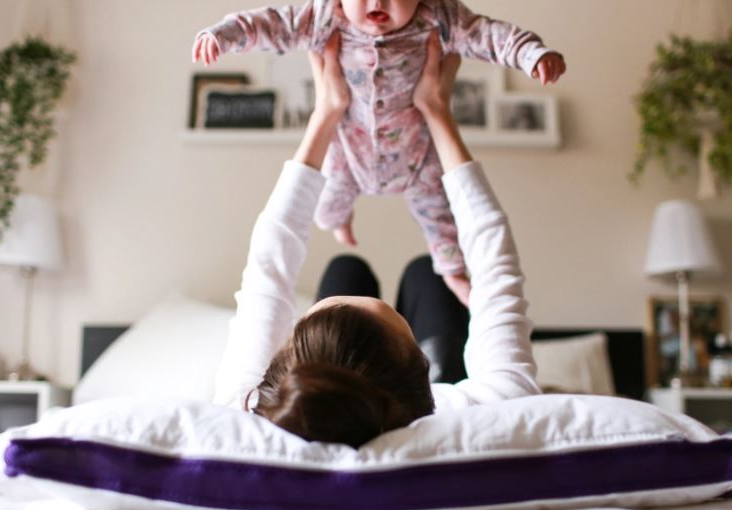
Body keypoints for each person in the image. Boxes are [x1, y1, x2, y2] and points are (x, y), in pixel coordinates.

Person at [214, 32, 541, 448]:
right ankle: (441, 357)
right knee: (428, 272)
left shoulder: (245, 409)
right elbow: (270, 262)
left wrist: (328, 114)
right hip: (435, 377)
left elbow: (268, 262)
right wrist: (436, 111)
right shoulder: (483, 409)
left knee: (345, 270)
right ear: (424, 375)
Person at [193, 0, 566, 305]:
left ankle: (452, 274)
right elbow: (271, 24)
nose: (377, 4)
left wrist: (532, 53)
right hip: (349, 152)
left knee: (443, 218)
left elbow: (490, 34)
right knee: (324, 206)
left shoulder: (439, 17)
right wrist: (223, 36)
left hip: (418, 154)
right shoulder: (324, 16)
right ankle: (341, 222)